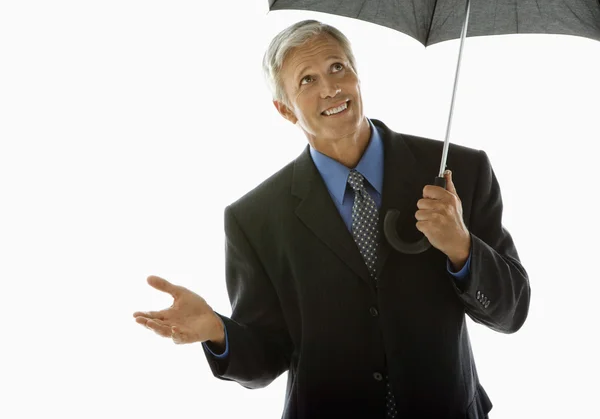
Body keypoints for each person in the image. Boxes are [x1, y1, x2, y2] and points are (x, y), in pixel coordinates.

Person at [133, 20, 531, 419]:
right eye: (307, 79)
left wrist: (462, 247)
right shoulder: (253, 219)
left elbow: (512, 312)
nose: (330, 88)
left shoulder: (459, 170)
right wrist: (219, 333)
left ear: (358, 75)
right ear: (285, 109)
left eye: (338, 67)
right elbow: (268, 356)